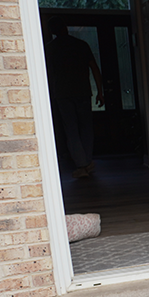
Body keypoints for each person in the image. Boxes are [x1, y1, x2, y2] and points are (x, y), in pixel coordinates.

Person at [44, 16, 104, 178]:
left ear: (52, 30)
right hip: (83, 91)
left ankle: (82, 164)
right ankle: (87, 161)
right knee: (86, 127)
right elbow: (94, 68)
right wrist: (100, 91)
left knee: (71, 129)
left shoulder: (50, 49)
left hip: (63, 94)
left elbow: (45, 74)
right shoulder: (81, 45)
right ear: (66, 28)